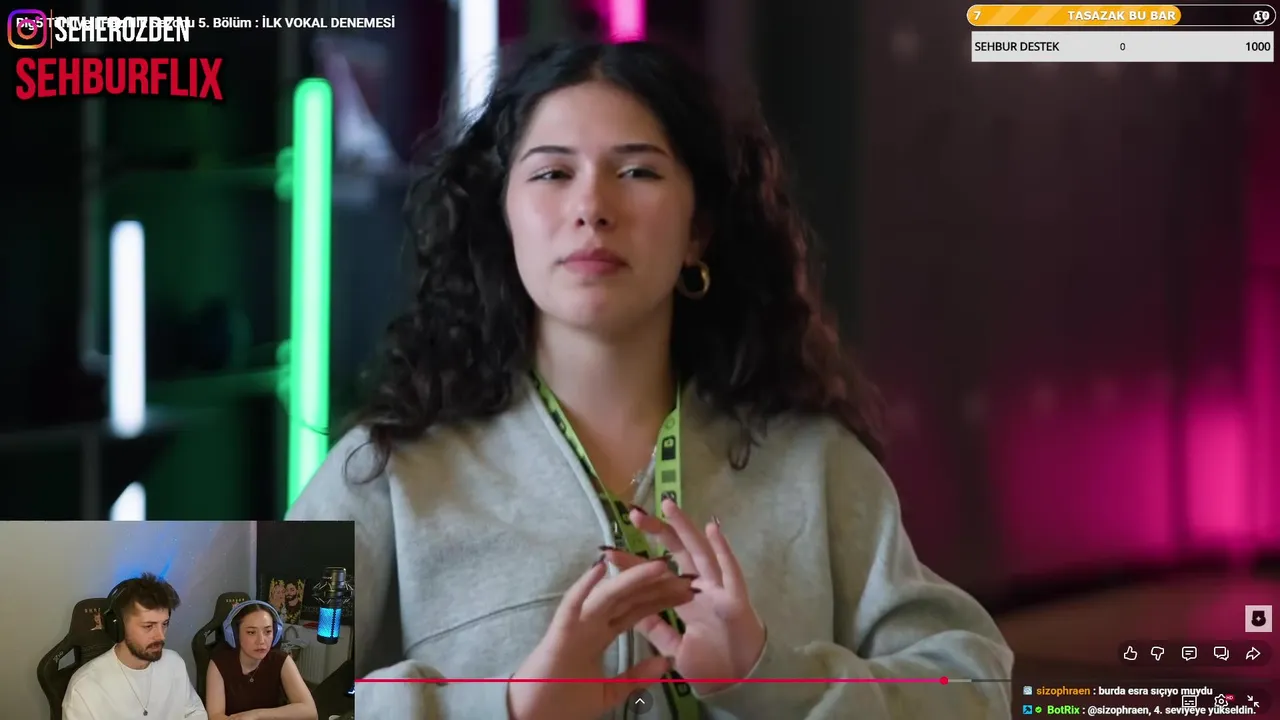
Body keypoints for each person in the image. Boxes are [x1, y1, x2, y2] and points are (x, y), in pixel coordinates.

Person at [288, 39, 1014, 719]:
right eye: (552, 174)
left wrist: (769, 677)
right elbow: (235, 690)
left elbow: (976, 684)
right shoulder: (386, 469)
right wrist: (503, 706)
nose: (592, 208)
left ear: (699, 229)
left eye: (637, 171)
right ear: (502, 220)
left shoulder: (815, 463)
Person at [63, 573, 208, 720]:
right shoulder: (84, 689)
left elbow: (195, 712)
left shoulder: (174, 664)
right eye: (148, 626)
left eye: (164, 624)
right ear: (118, 627)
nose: (161, 636)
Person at [205, 600, 318, 720]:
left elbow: (310, 712)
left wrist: (256, 715)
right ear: (235, 635)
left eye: (268, 631)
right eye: (251, 632)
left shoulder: (282, 660)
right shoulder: (219, 664)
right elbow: (215, 716)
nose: (261, 641)